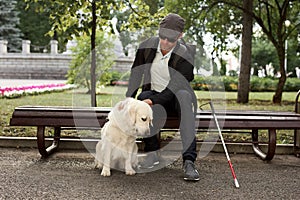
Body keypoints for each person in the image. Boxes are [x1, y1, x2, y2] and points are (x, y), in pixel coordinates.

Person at [125, 13, 199, 181]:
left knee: (184, 98)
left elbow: (175, 86)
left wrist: (153, 101)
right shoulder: (147, 47)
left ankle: (189, 161)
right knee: (143, 96)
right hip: (154, 93)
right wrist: (128, 100)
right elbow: (135, 75)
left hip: (176, 98)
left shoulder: (185, 55)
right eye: (162, 36)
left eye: (171, 39)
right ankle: (152, 154)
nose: (165, 42)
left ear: (180, 36)